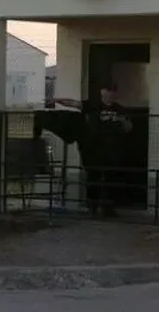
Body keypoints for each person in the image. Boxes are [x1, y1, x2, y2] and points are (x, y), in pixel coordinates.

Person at [51, 83, 133, 217]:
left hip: (112, 151)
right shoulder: (93, 106)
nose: (110, 94)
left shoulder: (120, 109)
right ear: (102, 92)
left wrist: (122, 120)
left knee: (111, 179)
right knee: (93, 178)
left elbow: (129, 128)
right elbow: (74, 104)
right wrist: (57, 101)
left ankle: (108, 208)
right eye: (108, 91)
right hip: (93, 150)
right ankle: (92, 207)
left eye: (113, 91)